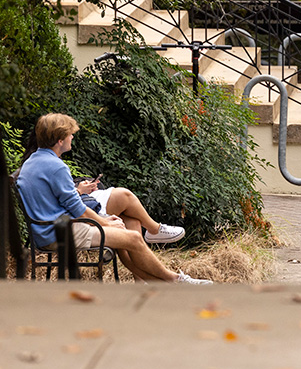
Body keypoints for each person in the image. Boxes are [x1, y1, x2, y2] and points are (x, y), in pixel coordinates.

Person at [15, 114, 211, 283]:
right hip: (59, 234)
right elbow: (78, 209)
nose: (72, 136)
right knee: (133, 237)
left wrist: (102, 220)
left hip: (50, 229)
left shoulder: (32, 162)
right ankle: (175, 280)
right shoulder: (56, 167)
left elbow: (56, 203)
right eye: (69, 134)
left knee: (127, 231)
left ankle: (167, 284)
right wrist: (104, 223)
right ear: (59, 140)